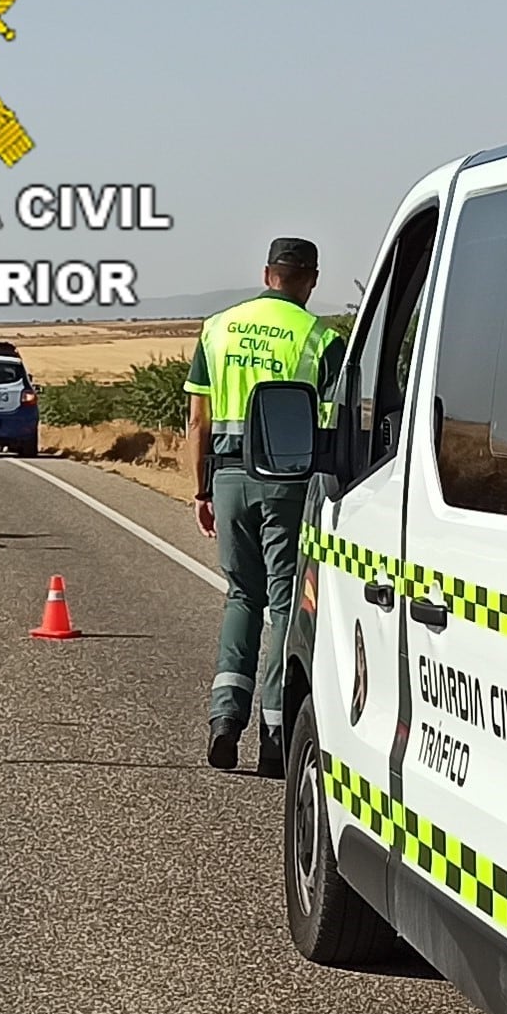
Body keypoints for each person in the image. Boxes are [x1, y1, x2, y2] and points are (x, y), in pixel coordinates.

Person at [186, 237, 340, 775]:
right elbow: (336, 423)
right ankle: (276, 734)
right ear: (311, 280)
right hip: (287, 484)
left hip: (227, 479)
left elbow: (198, 420)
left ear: (267, 273)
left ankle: (224, 720)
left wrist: (201, 488)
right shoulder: (320, 338)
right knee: (284, 605)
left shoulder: (218, 327)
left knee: (241, 597)